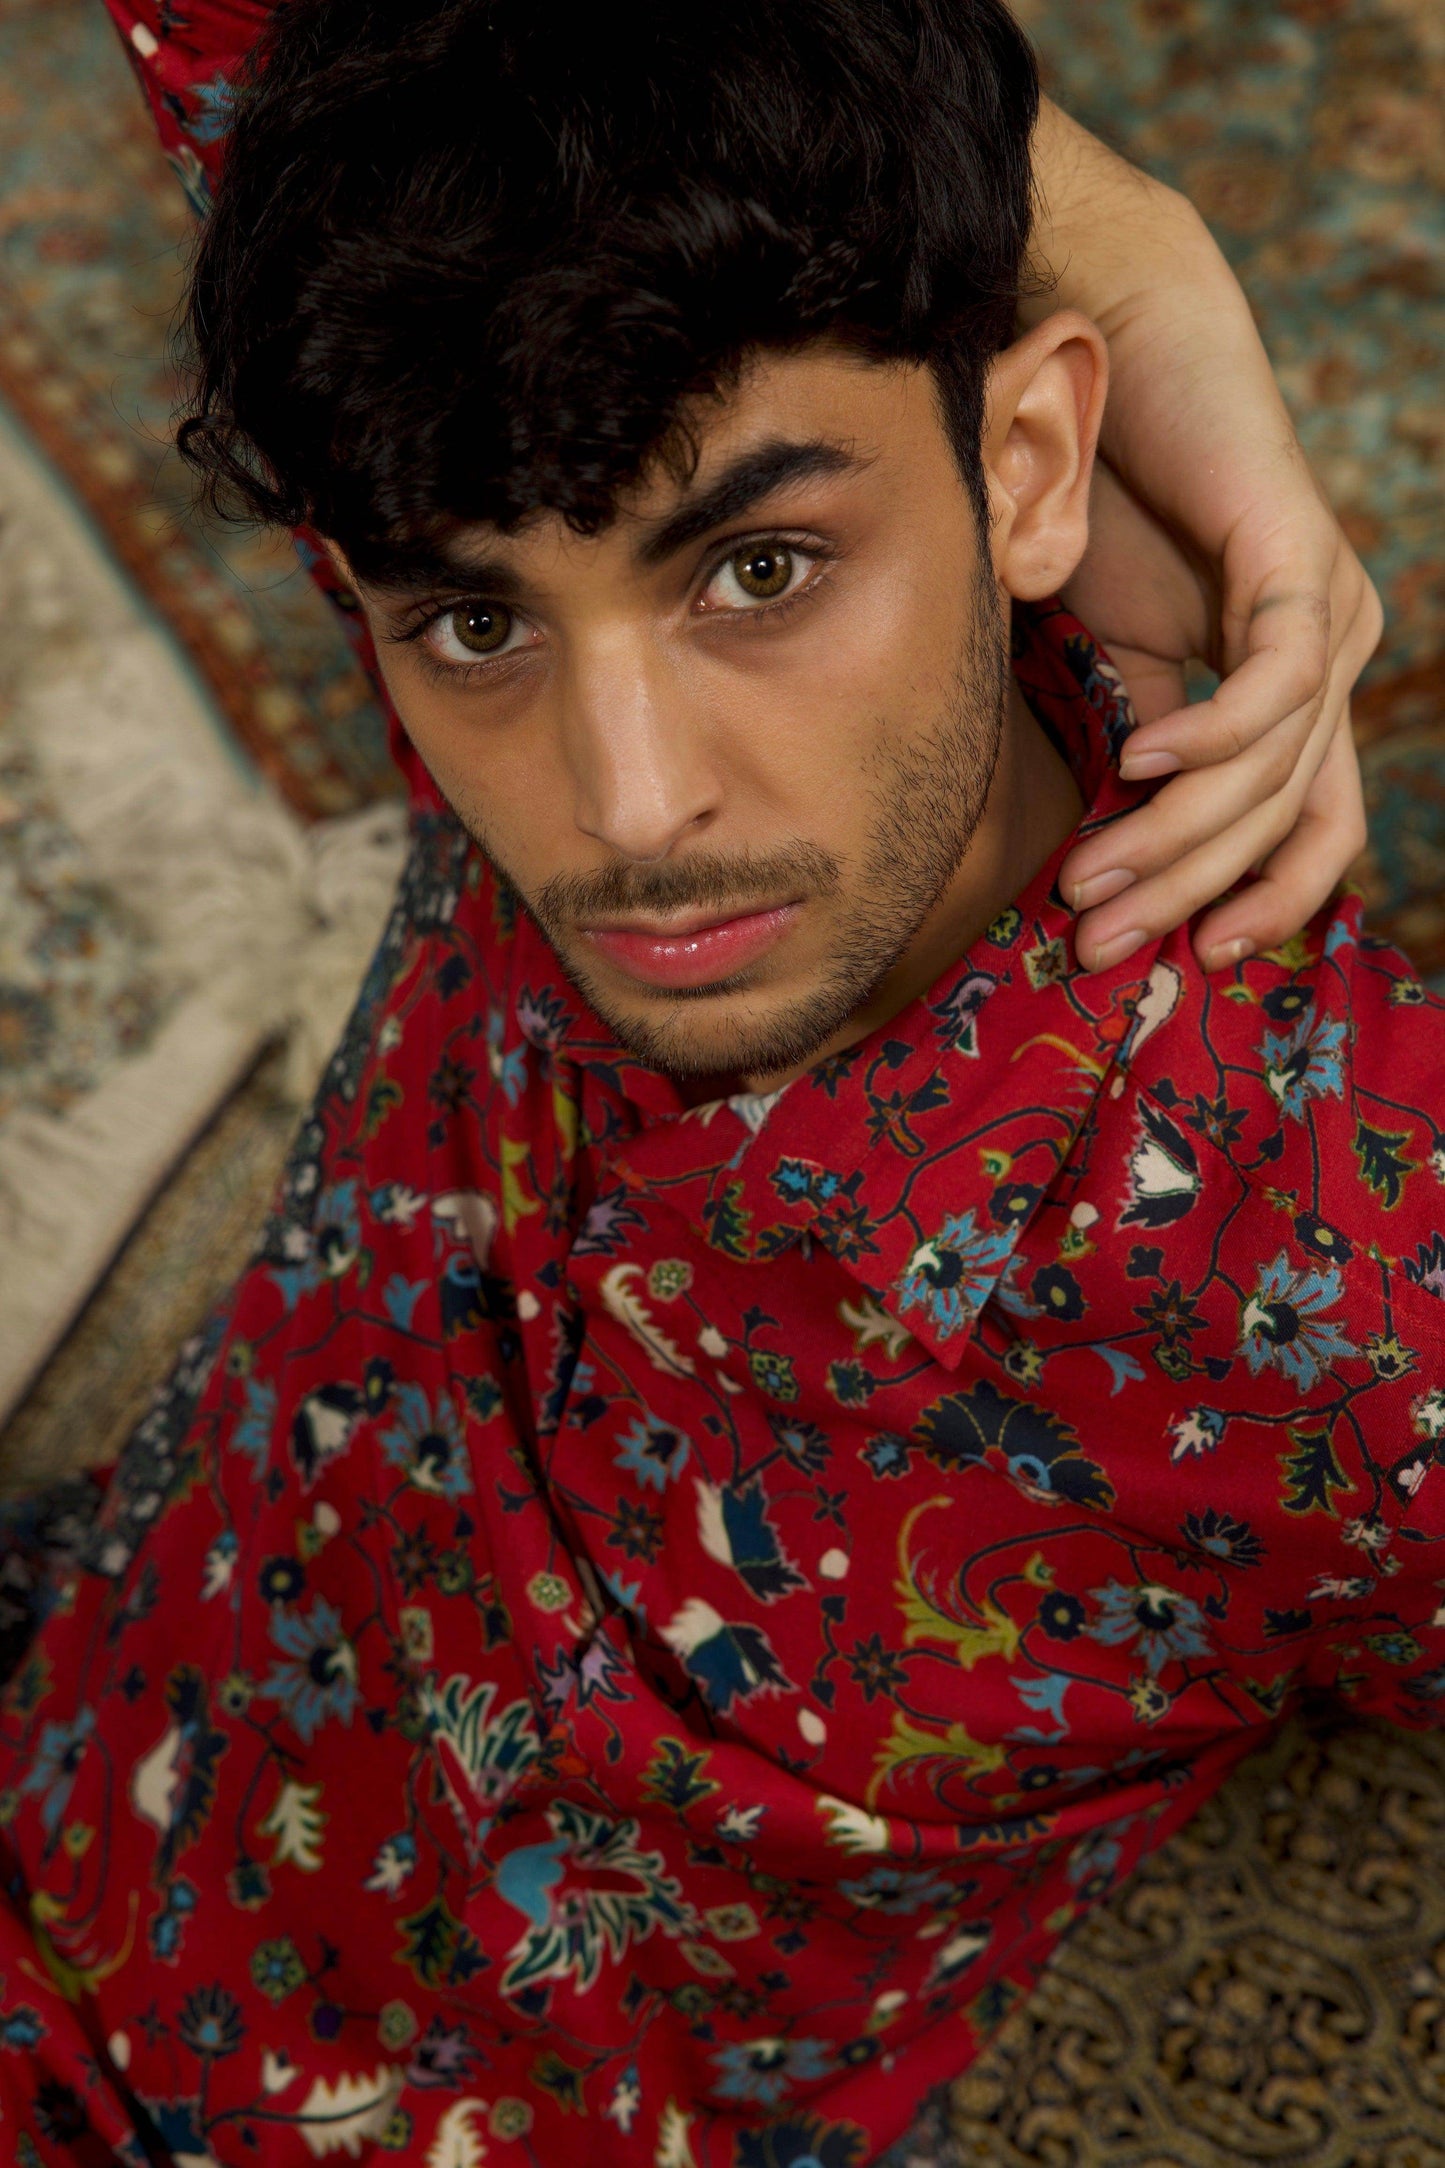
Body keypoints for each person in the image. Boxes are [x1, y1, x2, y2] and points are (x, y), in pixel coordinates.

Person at [0, 3, 1433, 2165]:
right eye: (475, 624)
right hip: (105, 1693)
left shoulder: (1336, 1278)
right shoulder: (460, 447)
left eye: (757, 571)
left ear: (1029, 461)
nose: (625, 808)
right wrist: (1122, 229)